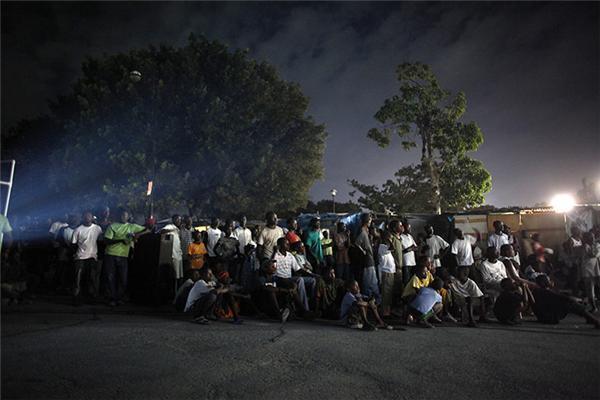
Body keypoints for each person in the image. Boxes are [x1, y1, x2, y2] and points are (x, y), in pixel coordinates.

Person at [103, 209, 148, 307]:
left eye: (125, 216)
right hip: (111, 254)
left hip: (123, 256)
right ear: (119, 216)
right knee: (111, 277)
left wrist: (136, 235)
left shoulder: (132, 226)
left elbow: (147, 229)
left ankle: (119, 298)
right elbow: (106, 241)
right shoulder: (112, 226)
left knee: (123, 278)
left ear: (128, 217)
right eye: (122, 215)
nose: (123, 217)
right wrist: (120, 240)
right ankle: (112, 298)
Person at [531, 275, 600, 328]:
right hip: (548, 317)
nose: (550, 281)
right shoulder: (543, 291)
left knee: (570, 302)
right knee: (570, 304)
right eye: (548, 280)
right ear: (543, 282)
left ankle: (590, 318)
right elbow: (561, 297)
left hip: (545, 316)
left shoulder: (539, 291)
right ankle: (594, 321)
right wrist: (575, 299)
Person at [272, 238, 312, 313]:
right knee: (300, 280)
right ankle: (305, 310)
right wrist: (274, 252)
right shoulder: (275, 255)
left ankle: (310, 307)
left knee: (313, 280)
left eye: (288, 243)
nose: (288, 245)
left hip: (289, 278)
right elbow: (272, 267)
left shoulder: (290, 255)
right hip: (278, 278)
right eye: (286, 244)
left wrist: (312, 274)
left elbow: (298, 269)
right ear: (280, 245)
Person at [71, 211, 103, 305]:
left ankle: (91, 297)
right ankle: (76, 298)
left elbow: (100, 240)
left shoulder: (97, 228)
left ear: (92, 218)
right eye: (85, 216)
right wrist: (74, 255)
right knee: (77, 279)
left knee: (91, 278)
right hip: (80, 257)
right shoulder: (78, 230)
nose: (87, 218)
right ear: (83, 218)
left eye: (89, 216)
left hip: (92, 256)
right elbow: (73, 244)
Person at [354, 213, 380, 303]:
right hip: (367, 260)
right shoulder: (362, 231)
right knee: (369, 283)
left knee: (372, 282)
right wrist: (363, 251)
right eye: (370, 220)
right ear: (367, 220)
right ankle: (369, 302)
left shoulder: (366, 231)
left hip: (370, 259)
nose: (371, 222)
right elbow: (357, 243)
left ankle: (372, 301)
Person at [377, 230, 396, 318]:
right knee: (386, 293)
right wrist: (389, 240)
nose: (392, 240)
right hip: (386, 272)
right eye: (390, 238)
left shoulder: (385, 247)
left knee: (389, 293)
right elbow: (393, 248)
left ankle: (387, 312)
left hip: (390, 272)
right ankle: (384, 313)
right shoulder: (382, 246)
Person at [581, 231, 600, 313]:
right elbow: (593, 254)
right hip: (587, 270)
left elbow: (595, 254)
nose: (592, 238)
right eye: (589, 237)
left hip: (597, 269)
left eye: (593, 237)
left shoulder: (597, 245)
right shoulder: (583, 247)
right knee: (590, 290)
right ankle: (594, 307)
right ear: (585, 239)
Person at [161, 215, 184, 281]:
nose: (179, 221)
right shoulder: (170, 226)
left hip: (179, 255)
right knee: (174, 276)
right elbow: (162, 231)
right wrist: (173, 230)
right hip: (173, 256)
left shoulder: (178, 229)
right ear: (174, 220)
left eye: (180, 220)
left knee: (179, 276)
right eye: (178, 220)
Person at [401, 220, 418, 285]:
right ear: (404, 228)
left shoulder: (410, 236)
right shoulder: (401, 237)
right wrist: (411, 248)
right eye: (409, 227)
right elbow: (402, 251)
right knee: (406, 281)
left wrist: (410, 249)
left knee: (412, 280)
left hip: (412, 262)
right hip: (405, 263)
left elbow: (416, 247)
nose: (410, 229)